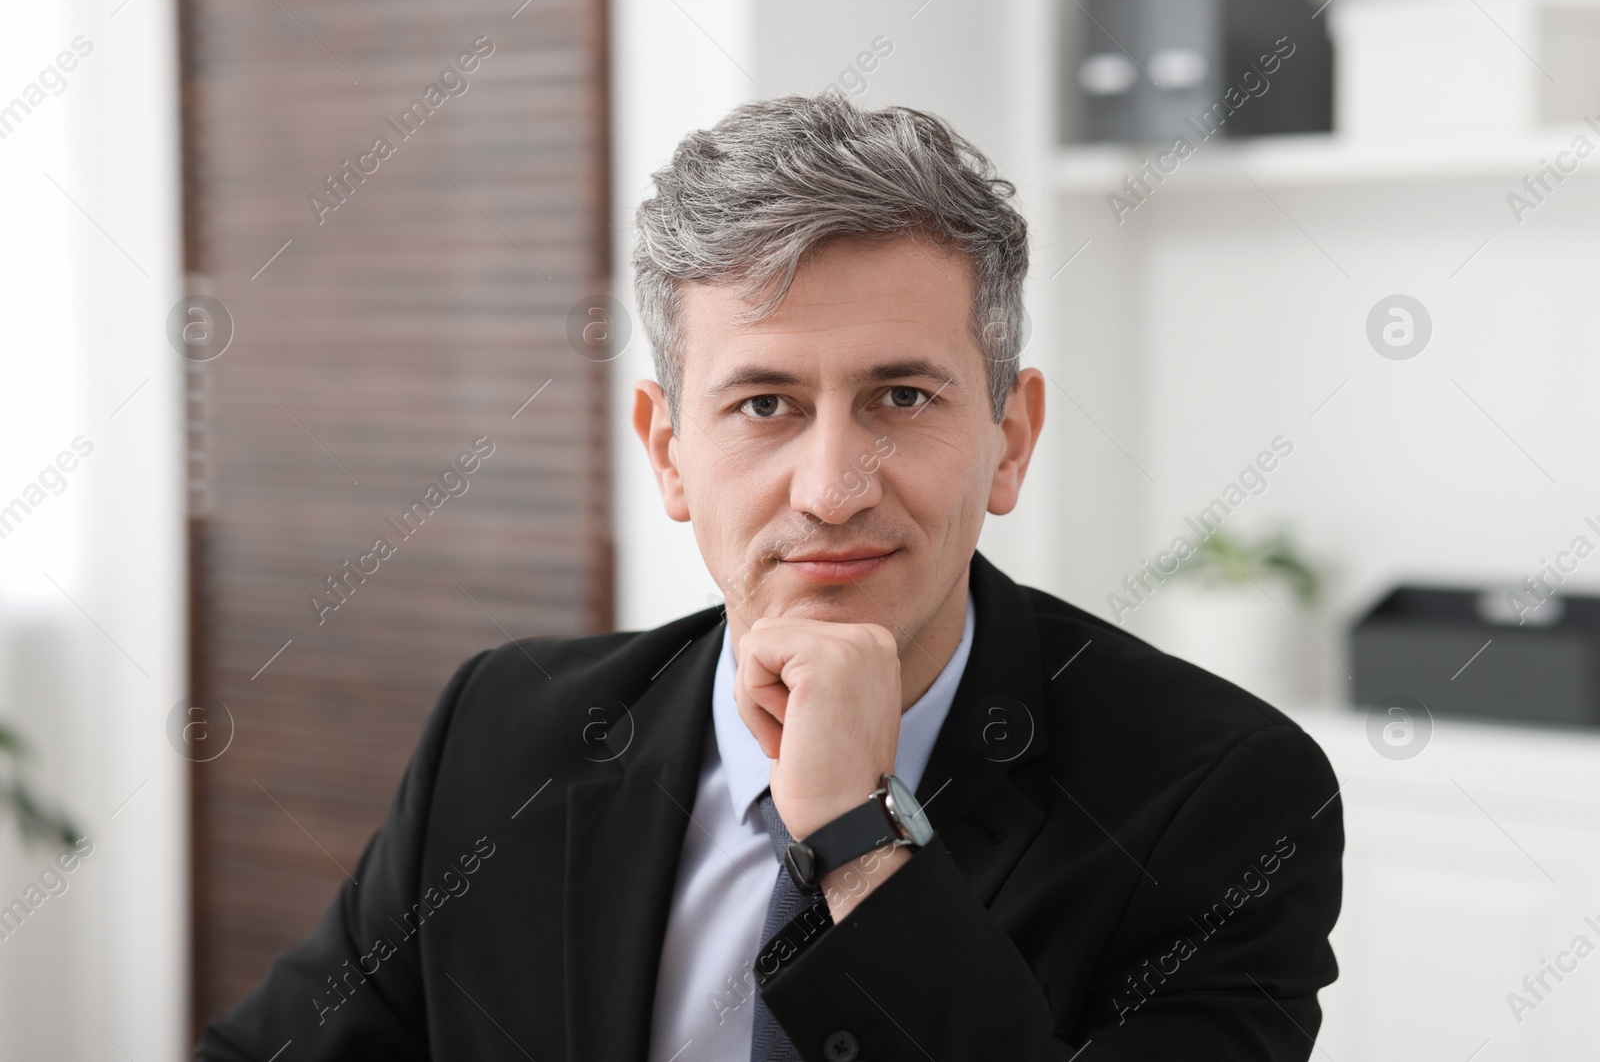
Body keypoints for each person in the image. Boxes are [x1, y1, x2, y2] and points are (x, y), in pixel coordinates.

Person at [197, 94, 1342, 1062]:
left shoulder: (1223, 799)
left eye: (902, 397)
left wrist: (857, 836)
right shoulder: (502, 736)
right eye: (764, 404)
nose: (833, 486)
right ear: (666, 451)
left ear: (1010, 435)